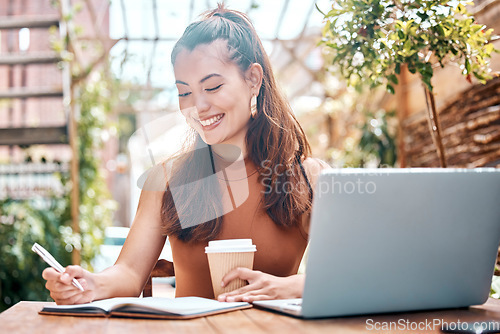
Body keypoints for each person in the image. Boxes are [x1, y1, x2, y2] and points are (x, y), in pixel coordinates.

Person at [42, 4, 329, 305]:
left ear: (253, 80)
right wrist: (92, 284)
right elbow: (128, 272)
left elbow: (349, 276)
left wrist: (292, 287)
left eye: (213, 86)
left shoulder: (308, 179)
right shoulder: (167, 179)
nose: (198, 105)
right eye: (184, 92)